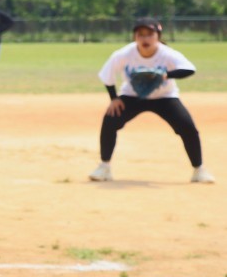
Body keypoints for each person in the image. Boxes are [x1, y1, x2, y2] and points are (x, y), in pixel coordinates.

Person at [88, 20, 214, 184]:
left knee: (187, 126)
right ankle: (104, 167)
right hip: (132, 96)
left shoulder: (166, 53)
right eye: (140, 34)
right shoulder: (124, 54)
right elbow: (107, 75)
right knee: (110, 120)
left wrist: (166, 75)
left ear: (158, 36)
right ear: (135, 37)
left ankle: (199, 170)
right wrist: (114, 99)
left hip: (164, 97)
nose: (145, 38)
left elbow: (189, 69)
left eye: (149, 34)